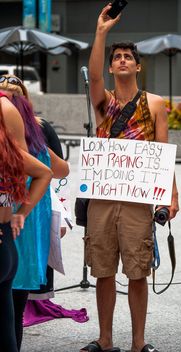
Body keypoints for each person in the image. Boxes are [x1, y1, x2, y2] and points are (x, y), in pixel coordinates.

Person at [81, 4, 179, 352]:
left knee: (138, 272)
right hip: (103, 199)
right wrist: (101, 33)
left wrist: (172, 196)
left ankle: (139, 344)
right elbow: (92, 78)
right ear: (110, 66)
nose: (122, 60)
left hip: (138, 200)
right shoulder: (103, 102)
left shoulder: (154, 104)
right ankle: (105, 341)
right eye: (116, 57)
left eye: (127, 57)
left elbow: (165, 154)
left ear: (138, 65)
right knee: (103, 270)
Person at [0, 75, 69, 350]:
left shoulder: (34, 132)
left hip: (18, 222)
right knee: (11, 307)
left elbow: (53, 170)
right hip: (22, 223)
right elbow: (58, 170)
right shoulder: (36, 130)